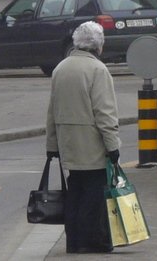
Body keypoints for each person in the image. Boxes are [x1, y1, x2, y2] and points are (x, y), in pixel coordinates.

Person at [46, 21, 121, 254]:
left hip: (68, 142)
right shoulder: (98, 70)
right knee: (94, 193)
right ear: (98, 45)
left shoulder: (61, 68)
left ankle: (74, 241)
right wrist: (113, 145)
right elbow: (104, 113)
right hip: (92, 142)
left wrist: (52, 144)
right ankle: (93, 240)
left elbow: (52, 109)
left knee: (75, 191)